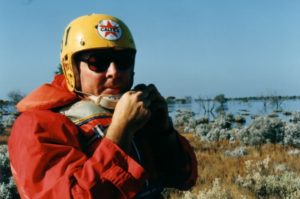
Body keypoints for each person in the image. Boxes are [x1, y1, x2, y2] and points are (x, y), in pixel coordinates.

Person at [8, 14, 197, 199]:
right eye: (97, 62)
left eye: (124, 61)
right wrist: (119, 134)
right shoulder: (37, 125)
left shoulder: (134, 113)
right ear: (71, 68)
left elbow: (182, 178)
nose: (114, 73)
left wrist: (163, 129)